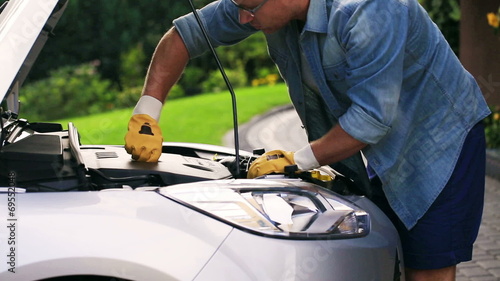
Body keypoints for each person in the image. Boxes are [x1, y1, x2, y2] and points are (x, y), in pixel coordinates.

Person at [124, 0, 491, 280]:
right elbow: (183, 37)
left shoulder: (368, 10)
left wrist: (296, 161)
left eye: (249, 10)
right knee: (386, 251)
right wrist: (147, 113)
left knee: (427, 264)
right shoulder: (254, 4)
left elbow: (369, 121)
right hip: (380, 145)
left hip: (439, 140)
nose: (241, 19)